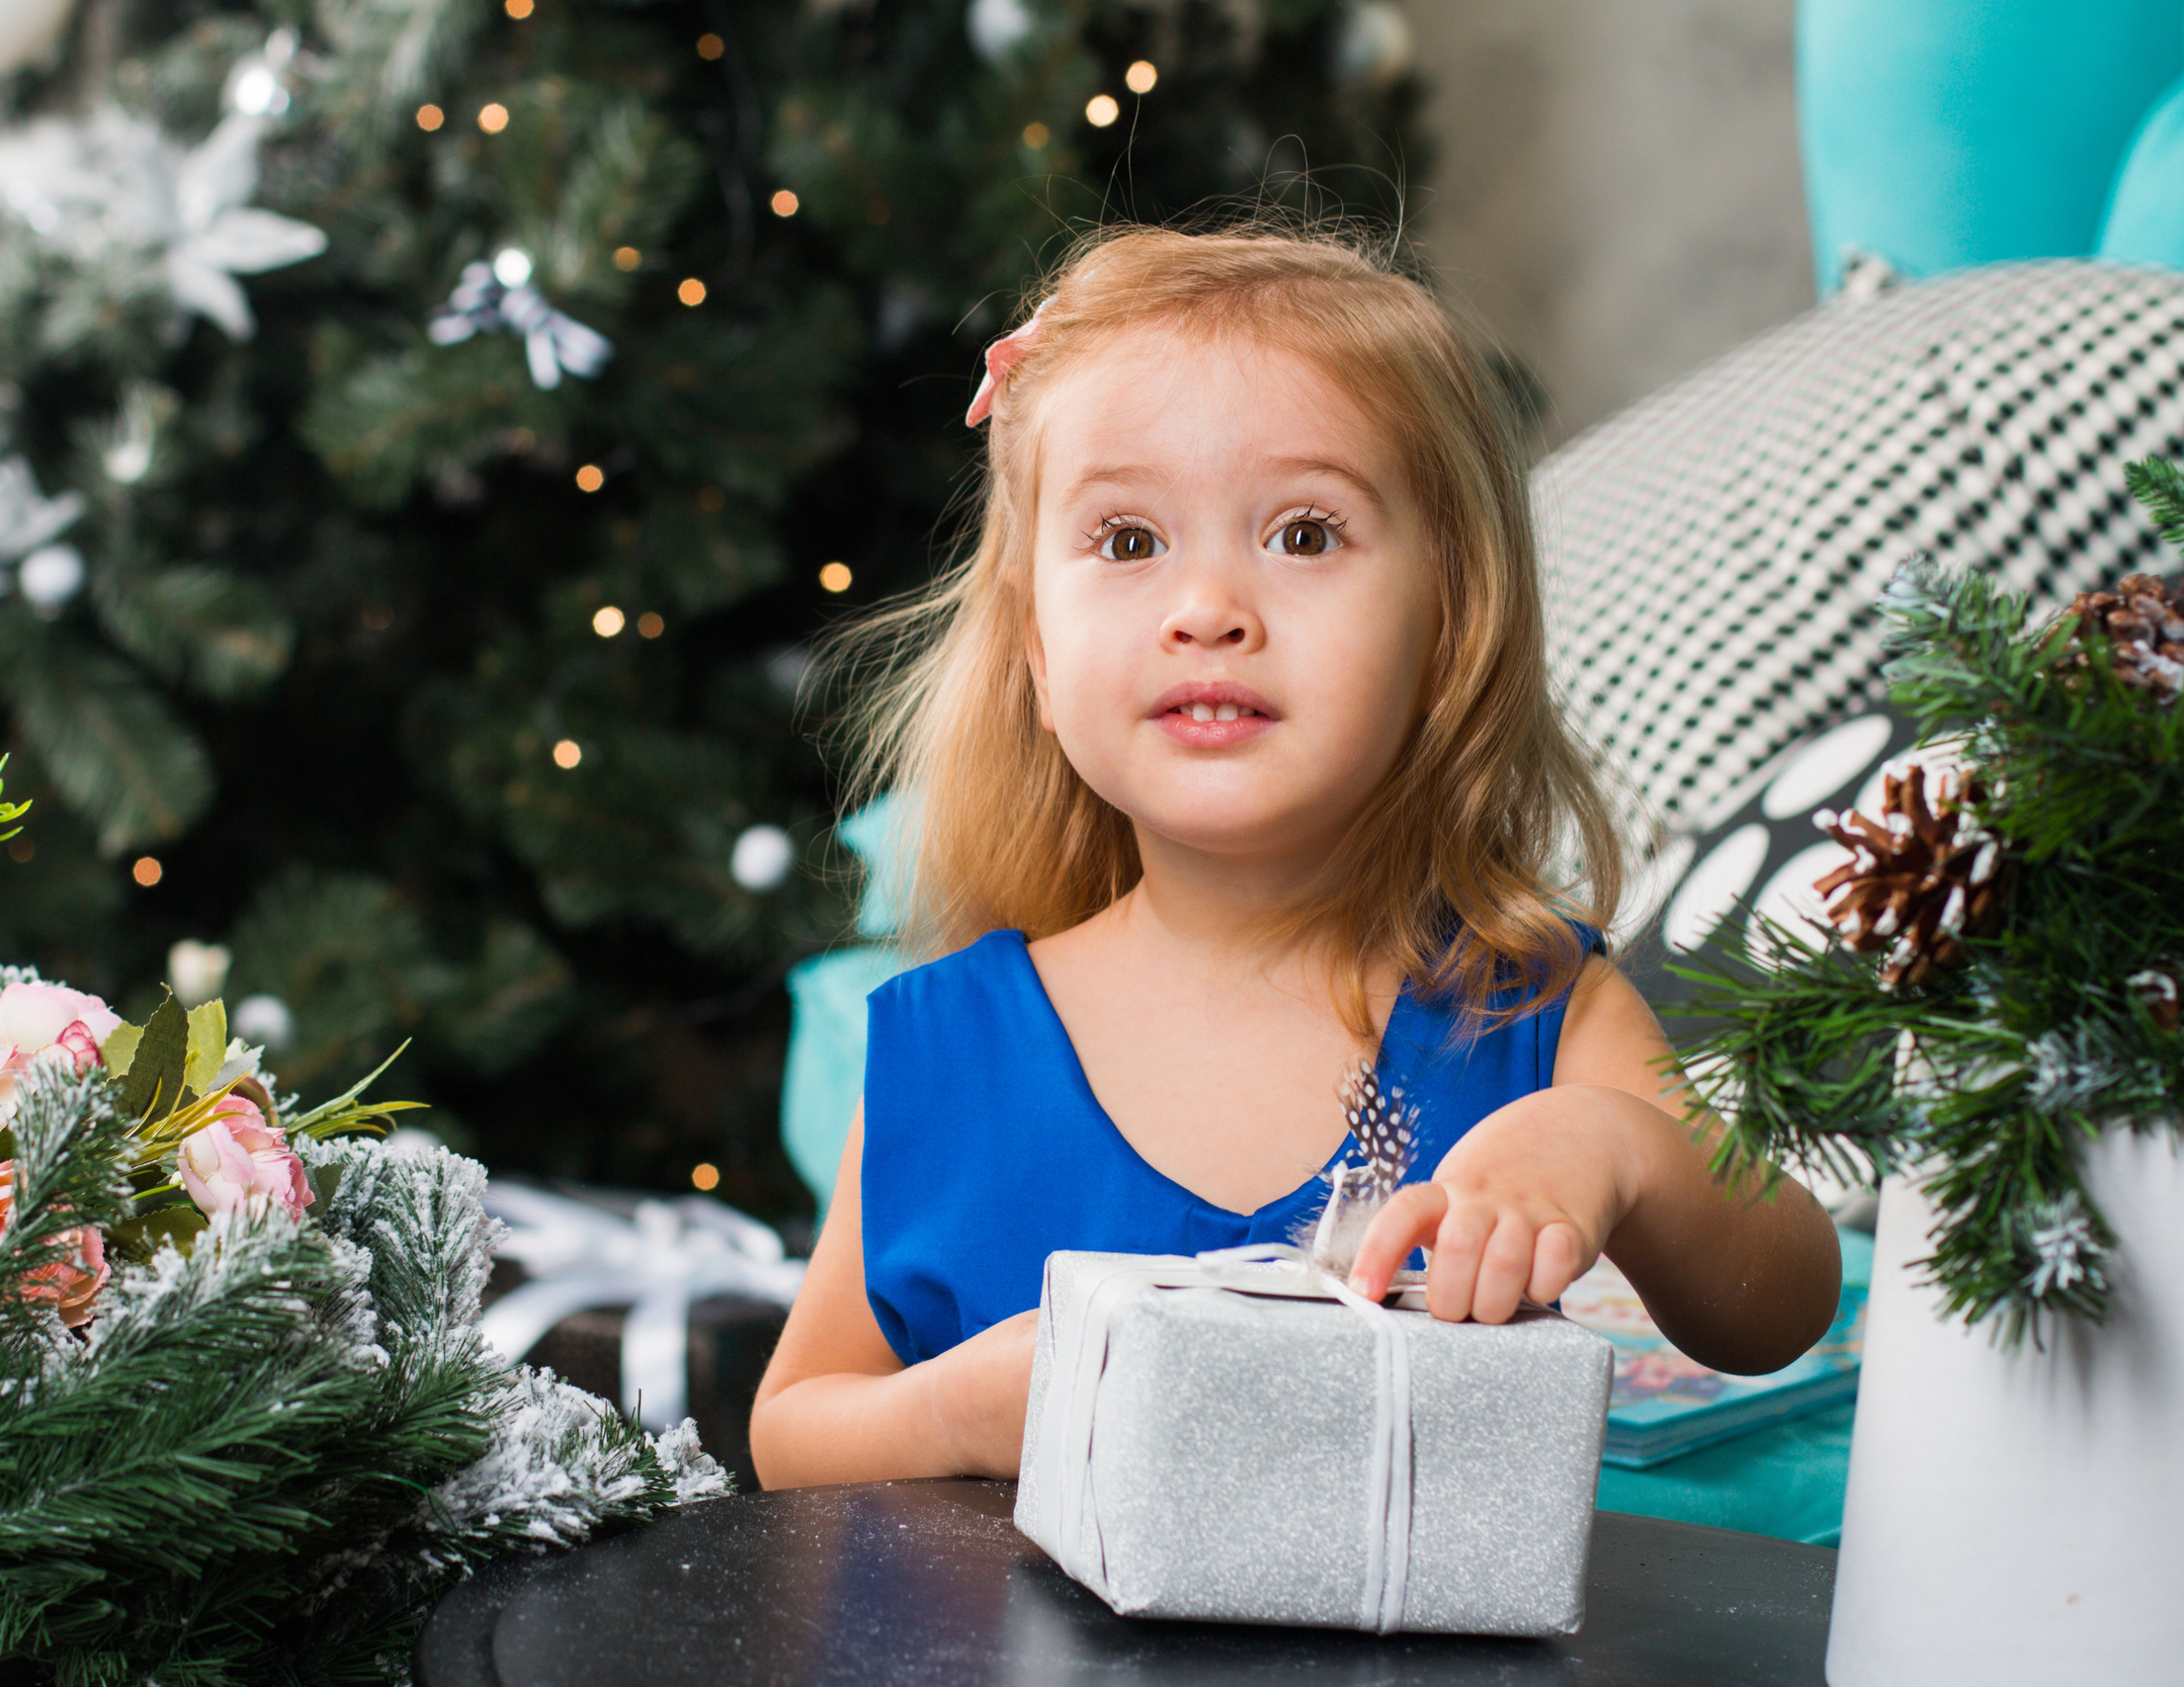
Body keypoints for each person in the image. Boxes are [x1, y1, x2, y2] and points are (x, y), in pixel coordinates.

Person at [750, 223, 1842, 1490]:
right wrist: (959, 1415)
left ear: (1449, 630)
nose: (1206, 607)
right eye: (1126, 541)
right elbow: (790, 1437)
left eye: (1304, 536)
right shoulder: (944, 1051)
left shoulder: (1532, 1014)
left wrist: (1619, 1149)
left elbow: (1781, 1309)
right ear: (1037, 660)